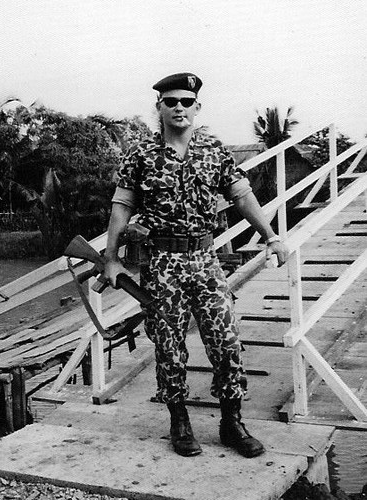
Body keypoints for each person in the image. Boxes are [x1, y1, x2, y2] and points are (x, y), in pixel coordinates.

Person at [104, 72, 289, 458]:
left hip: (205, 260)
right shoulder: (140, 155)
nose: (179, 108)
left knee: (226, 342)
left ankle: (231, 423)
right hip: (163, 263)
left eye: (186, 102)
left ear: (197, 107)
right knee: (169, 346)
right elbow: (122, 206)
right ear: (159, 107)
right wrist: (111, 259)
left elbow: (242, 196)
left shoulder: (214, 151)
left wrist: (271, 236)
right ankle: (179, 421)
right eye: (171, 102)